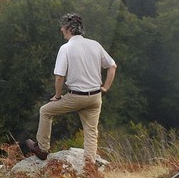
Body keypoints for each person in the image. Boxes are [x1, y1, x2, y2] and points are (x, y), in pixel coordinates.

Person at [23, 13, 115, 161]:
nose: (61, 29)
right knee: (91, 132)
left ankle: (42, 148)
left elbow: (59, 77)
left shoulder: (66, 48)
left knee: (45, 111)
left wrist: (58, 96)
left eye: (63, 27)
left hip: (76, 96)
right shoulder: (95, 45)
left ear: (69, 29)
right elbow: (112, 66)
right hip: (95, 96)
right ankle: (89, 166)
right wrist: (105, 88)